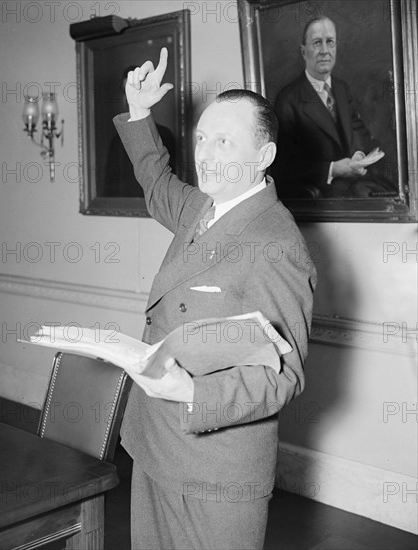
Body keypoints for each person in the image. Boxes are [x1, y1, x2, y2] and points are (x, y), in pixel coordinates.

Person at [113, 47, 316, 550]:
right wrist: (140, 114)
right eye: (202, 138)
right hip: (155, 442)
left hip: (215, 467)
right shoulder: (204, 206)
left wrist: (192, 394)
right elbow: (158, 184)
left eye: (224, 141)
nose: (205, 153)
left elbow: (283, 375)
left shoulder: (277, 244)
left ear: (262, 156)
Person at [272, 15, 392, 198]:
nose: (325, 51)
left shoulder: (341, 88)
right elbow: (284, 167)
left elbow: (359, 133)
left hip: (356, 183)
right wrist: (334, 169)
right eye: (317, 43)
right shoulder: (288, 99)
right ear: (304, 52)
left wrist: (358, 157)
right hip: (322, 193)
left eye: (330, 42)